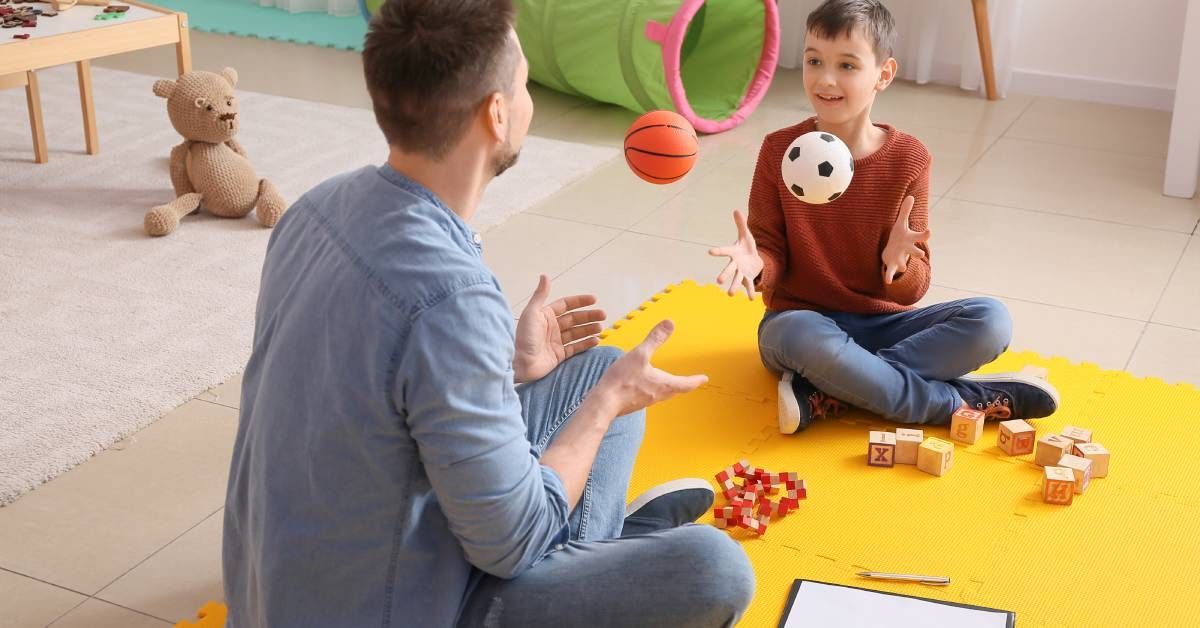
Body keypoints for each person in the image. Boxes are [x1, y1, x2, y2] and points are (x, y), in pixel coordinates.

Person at [222, 0, 755, 626]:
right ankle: (611, 553)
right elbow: (515, 542)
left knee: (597, 366)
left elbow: (376, 389)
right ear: (497, 114)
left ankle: (607, 552)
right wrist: (605, 404)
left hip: (275, 588)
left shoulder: (314, 208)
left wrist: (512, 368)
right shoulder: (449, 297)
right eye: (524, 84)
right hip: (388, 607)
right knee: (712, 567)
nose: (529, 98)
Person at [710, 0, 1060, 434]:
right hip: (801, 325)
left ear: (884, 74)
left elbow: (912, 291)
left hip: (884, 326)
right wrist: (759, 264)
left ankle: (833, 391)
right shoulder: (778, 149)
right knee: (797, 333)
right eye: (814, 60)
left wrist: (898, 265)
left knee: (991, 320)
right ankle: (958, 402)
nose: (826, 79)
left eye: (847, 65)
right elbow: (772, 250)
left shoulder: (909, 159)